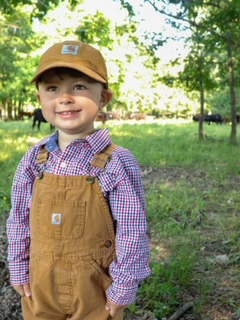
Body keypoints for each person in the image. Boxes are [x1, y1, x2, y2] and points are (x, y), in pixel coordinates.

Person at [7, 40, 150, 320]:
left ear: (104, 98)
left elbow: (132, 229)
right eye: (52, 89)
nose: (65, 97)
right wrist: (18, 266)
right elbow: (18, 219)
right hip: (39, 287)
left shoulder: (116, 163)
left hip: (95, 290)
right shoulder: (33, 160)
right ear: (40, 100)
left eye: (79, 87)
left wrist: (123, 285)